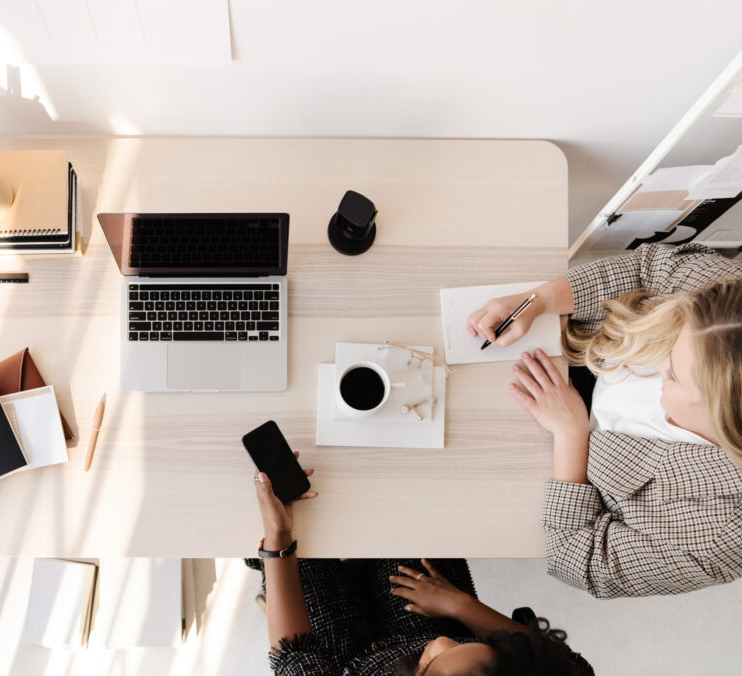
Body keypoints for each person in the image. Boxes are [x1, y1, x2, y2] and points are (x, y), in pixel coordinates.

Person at [466, 242, 742, 598]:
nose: (659, 368)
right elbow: (648, 269)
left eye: (672, 375)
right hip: (567, 345)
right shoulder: (729, 302)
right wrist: (539, 300)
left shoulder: (719, 534)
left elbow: (580, 560)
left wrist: (571, 434)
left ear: (722, 419)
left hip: (552, 467)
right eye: (671, 345)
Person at [248, 457, 592, 675]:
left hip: (347, 664)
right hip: (422, 620)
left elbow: (293, 653)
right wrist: (461, 605)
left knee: (277, 529)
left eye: (428, 671)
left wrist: (278, 538)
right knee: (409, 495)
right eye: (461, 647)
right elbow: (555, 659)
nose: (440, 645)